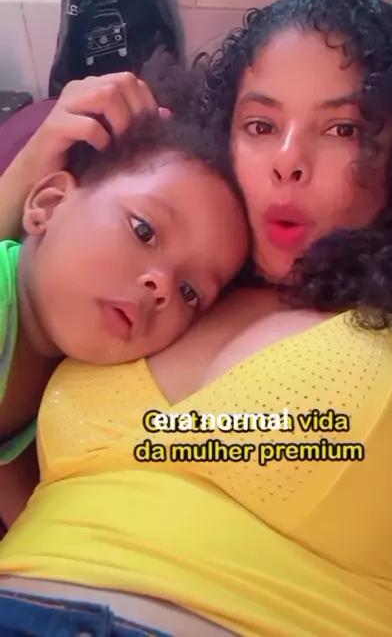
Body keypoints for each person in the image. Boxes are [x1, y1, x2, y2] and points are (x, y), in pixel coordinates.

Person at [0, 0, 392, 637]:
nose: (288, 162)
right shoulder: (132, 288)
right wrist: (26, 172)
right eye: (260, 125)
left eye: (342, 129)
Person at [0, 90, 249, 529]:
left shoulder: (62, 379)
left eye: (190, 292)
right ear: (50, 204)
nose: (162, 286)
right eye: (144, 231)